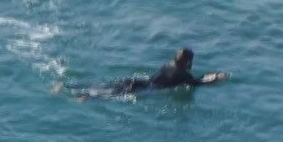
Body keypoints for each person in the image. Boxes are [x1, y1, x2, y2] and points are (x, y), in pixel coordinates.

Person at [94, 48, 229, 97]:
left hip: (138, 81)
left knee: (102, 88)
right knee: (107, 96)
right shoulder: (184, 75)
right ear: (187, 62)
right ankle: (86, 98)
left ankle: (81, 92)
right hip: (145, 89)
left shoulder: (167, 65)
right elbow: (198, 82)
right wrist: (216, 77)